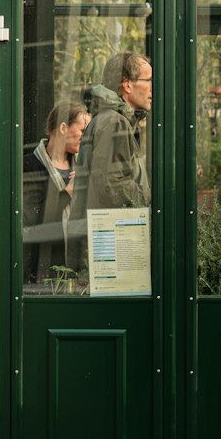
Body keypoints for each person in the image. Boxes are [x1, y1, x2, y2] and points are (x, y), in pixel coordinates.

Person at [72, 52, 152, 218]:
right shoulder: (114, 122)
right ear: (127, 85)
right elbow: (112, 185)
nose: (153, 87)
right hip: (110, 237)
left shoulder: (111, 119)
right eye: (148, 80)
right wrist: (152, 196)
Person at [22, 100, 90, 286]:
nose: (86, 138)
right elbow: (34, 222)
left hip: (79, 269)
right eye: (83, 131)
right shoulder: (28, 166)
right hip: (41, 269)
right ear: (63, 127)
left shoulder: (84, 165)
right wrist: (67, 192)